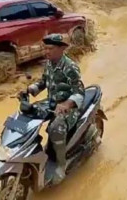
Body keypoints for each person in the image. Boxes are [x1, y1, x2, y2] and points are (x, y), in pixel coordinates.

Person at [20, 34, 85, 185]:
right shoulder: (49, 64)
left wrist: (67, 105)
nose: (46, 52)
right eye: (45, 48)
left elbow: (79, 92)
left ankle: (61, 164)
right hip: (51, 104)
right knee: (27, 117)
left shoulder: (70, 67)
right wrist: (30, 89)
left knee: (56, 129)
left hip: (68, 108)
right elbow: (43, 82)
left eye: (50, 48)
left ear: (61, 49)